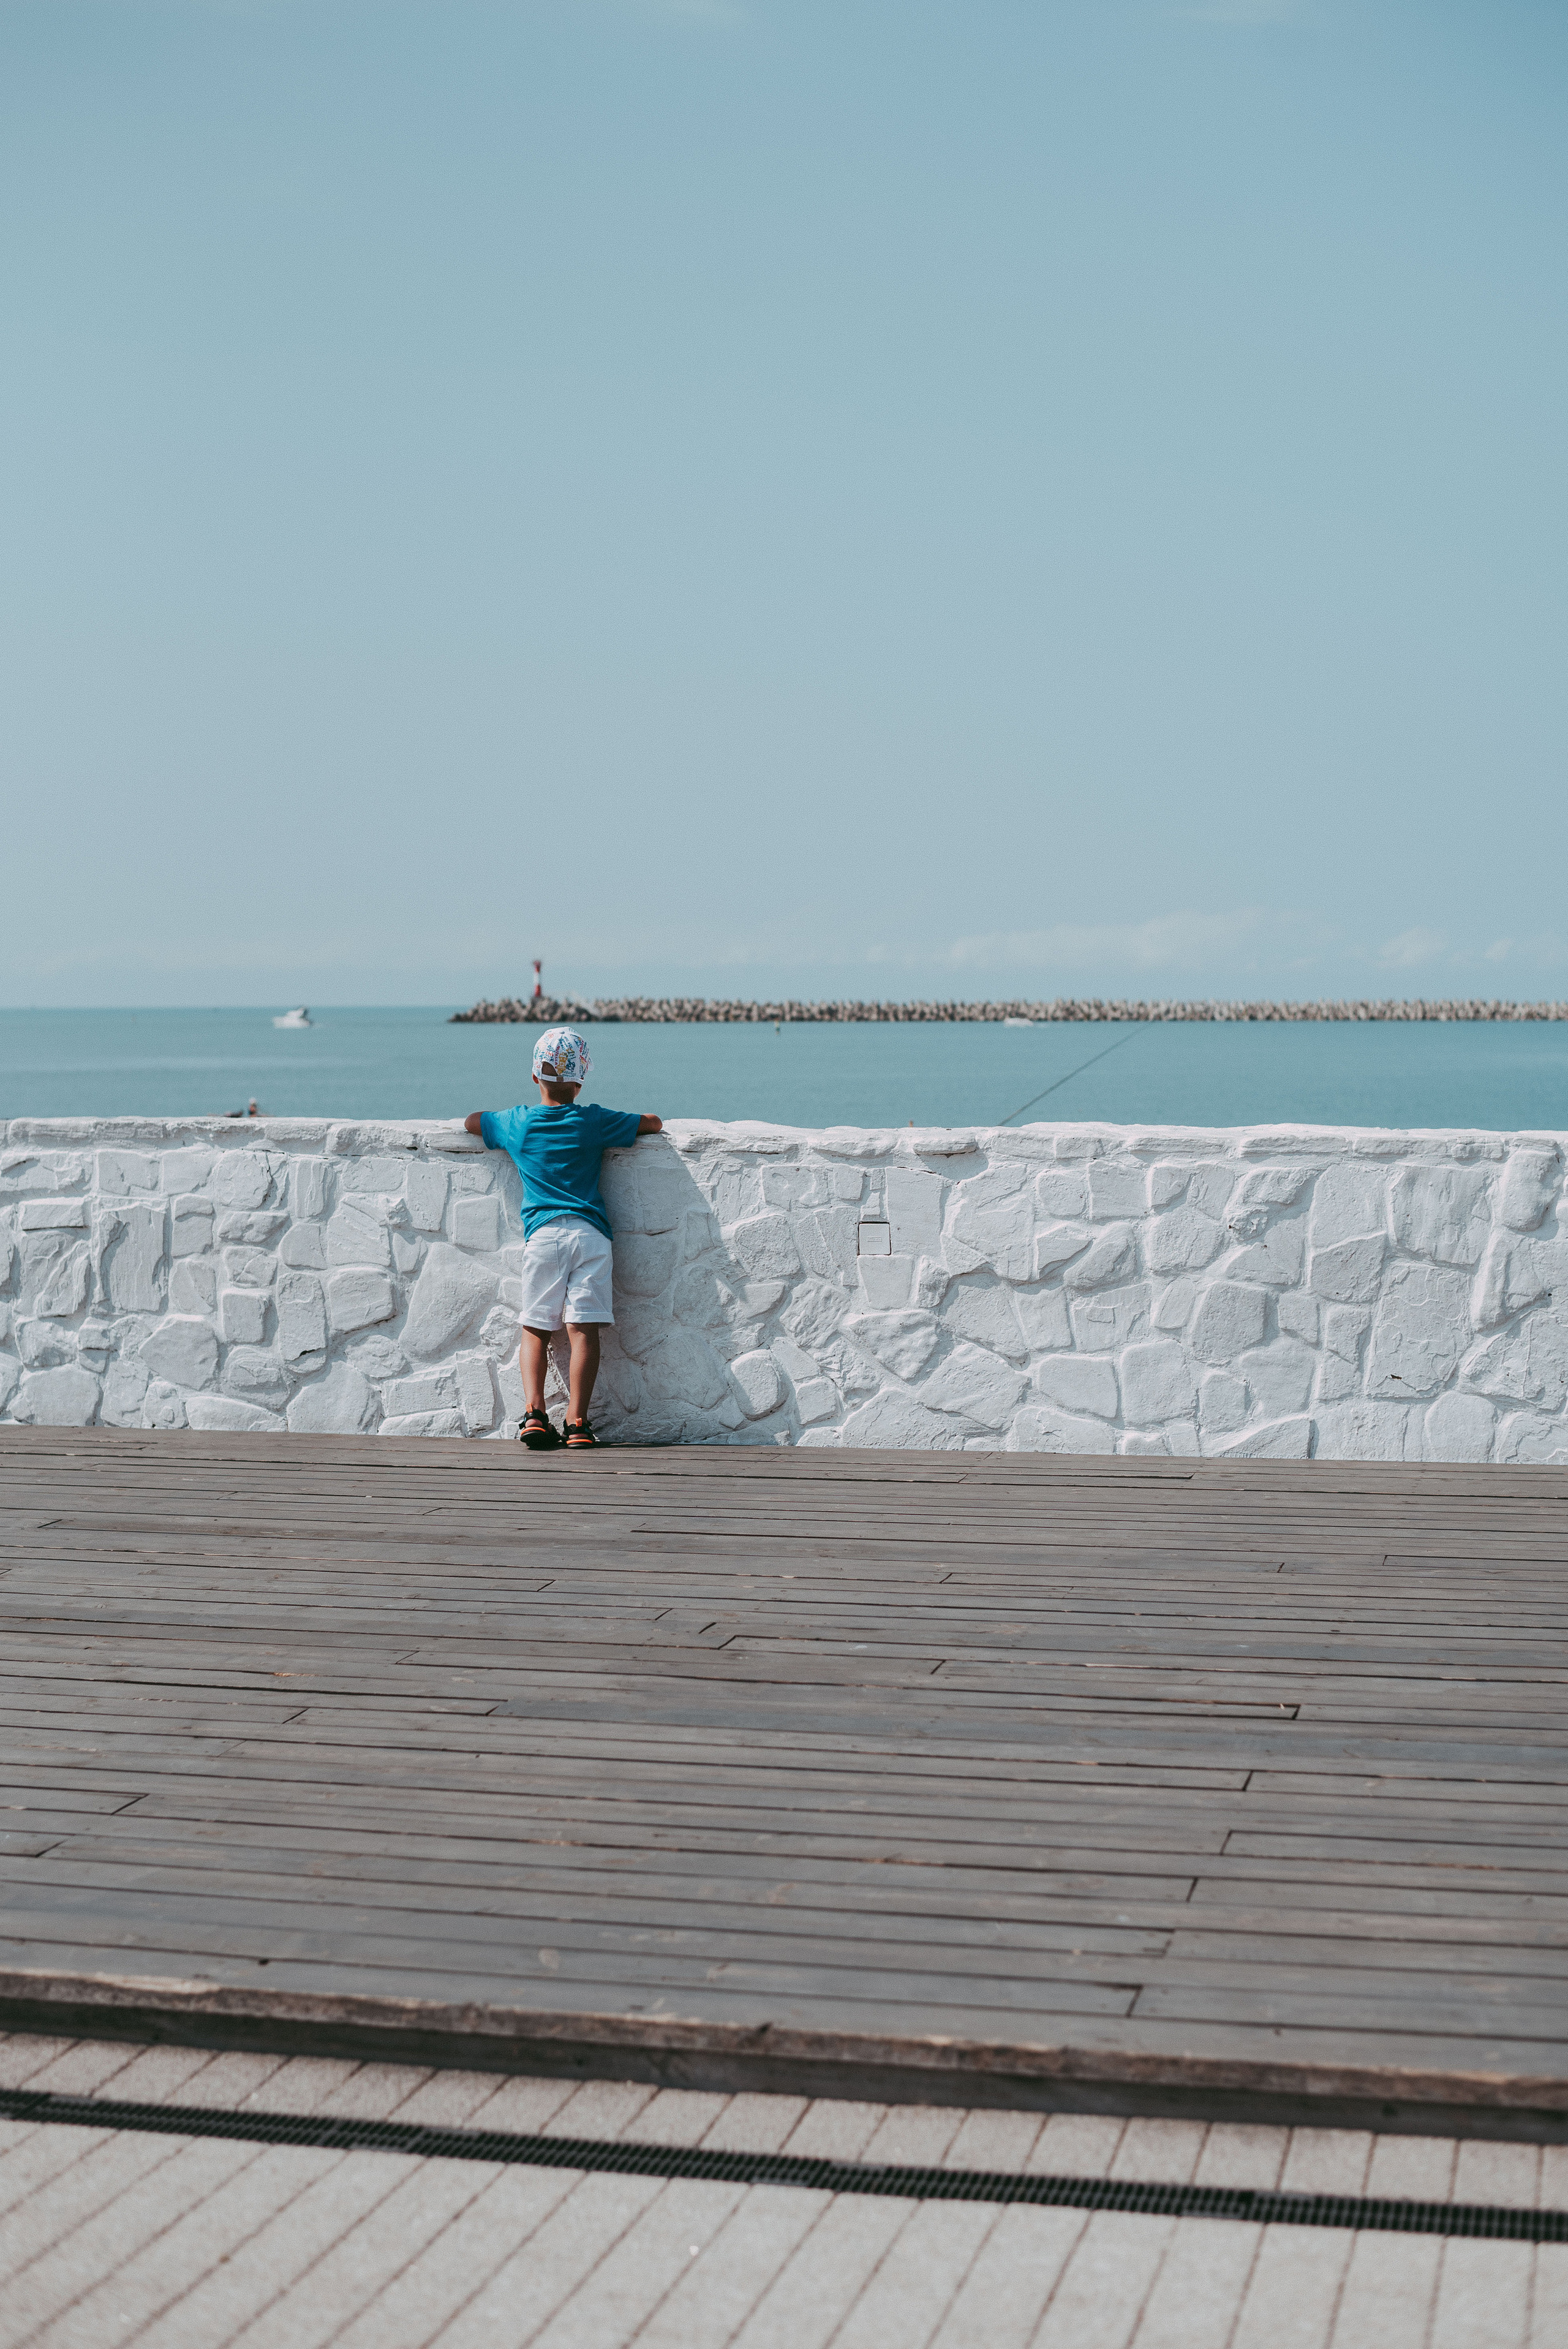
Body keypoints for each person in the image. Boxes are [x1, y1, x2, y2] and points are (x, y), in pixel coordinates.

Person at [464, 1026, 661, 1450]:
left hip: (544, 1237)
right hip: (590, 1236)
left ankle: (535, 1414)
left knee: (536, 1327)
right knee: (582, 1329)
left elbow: (473, 1121)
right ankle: (577, 1422)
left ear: (535, 1077)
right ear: (581, 1078)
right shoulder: (593, 1121)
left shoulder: (516, 1123)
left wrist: (497, 1118)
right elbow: (651, 1124)